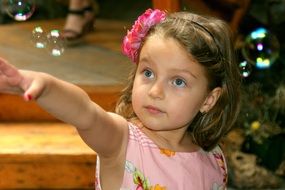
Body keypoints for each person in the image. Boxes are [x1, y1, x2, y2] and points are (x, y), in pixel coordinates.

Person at [0, 8, 241, 189]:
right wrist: (44, 86)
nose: (155, 91)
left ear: (209, 99)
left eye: (178, 81)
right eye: (148, 73)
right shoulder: (122, 142)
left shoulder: (214, 158)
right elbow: (86, 114)